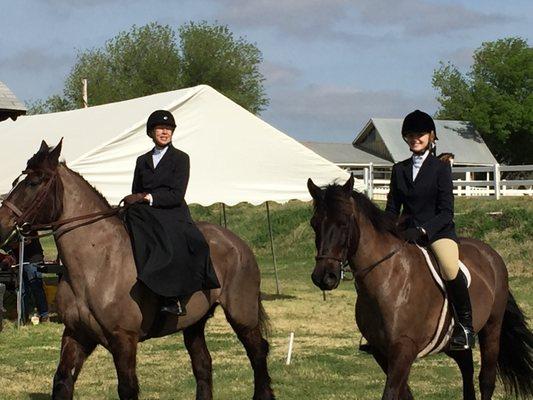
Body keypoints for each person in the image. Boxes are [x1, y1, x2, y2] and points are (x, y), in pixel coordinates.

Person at [385, 109, 475, 351]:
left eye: (420, 134)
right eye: (410, 134)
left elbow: (446, 211)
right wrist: (386, 229)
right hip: (406, 232)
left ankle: (465, 327)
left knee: (448, 265)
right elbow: (392, 208)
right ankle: (380, 330)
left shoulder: (440, 168)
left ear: (431, 136)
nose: (415, 138)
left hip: (437, 232)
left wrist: (424, 231)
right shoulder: (399, 169)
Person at [122, 110, 220, 316]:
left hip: (172, 212)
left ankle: (174, 297)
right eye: (160, 129)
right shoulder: (142, 160)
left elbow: (176, 194)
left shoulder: (181, 158)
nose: (165, 132)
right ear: (151, 132)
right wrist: (135, 199)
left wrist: (147, 198)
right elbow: (136, 188)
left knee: (171, 242)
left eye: (168, 129)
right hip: (145, 212)